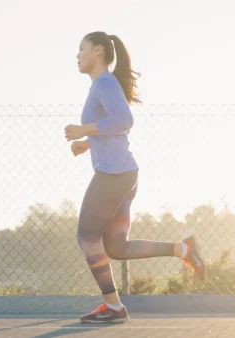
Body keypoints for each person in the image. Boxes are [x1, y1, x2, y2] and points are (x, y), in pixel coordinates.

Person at [64, 31, 206, 324]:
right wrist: (88, 143)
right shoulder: (102, 85)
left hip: (114, 174)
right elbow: (116, 127)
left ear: (99, 52)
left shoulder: (104, 82)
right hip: (124, 173)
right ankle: (184, 249)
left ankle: (114, 308)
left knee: (87, 237)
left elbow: (125, 121)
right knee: (116, 247)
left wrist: (84, 130)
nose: (77, 55)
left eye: (82, 49)